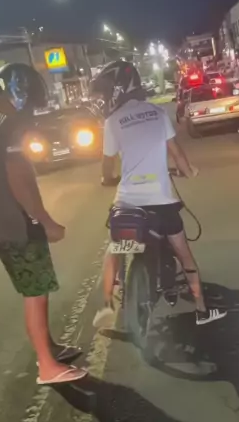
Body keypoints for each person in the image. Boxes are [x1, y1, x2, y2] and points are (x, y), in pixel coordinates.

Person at [90, 60, 227, 328]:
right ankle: (201, 310)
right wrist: (188, 171)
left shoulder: (112, 122)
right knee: (184, 255)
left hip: (128, 205)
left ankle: (106, 306)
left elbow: (106, 169)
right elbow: (177, 154)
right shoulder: (157, 113)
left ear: (117, 90)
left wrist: (108, 179)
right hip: (162, 205)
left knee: (115, 249)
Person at [0, 63, 86, 386]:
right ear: (17, 91)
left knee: (33, 287)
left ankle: (48, 348)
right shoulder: (9, 124)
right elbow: (19, 177)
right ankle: (47, 367)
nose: (31, 107)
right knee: (36, 292)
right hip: (21, 225)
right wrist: (43, 219)